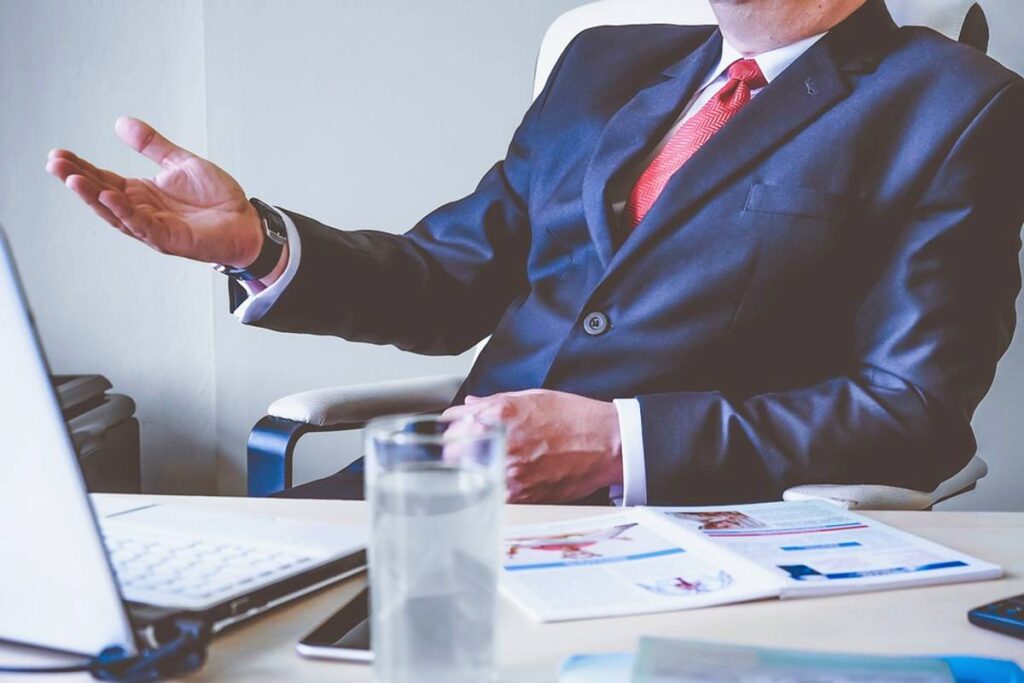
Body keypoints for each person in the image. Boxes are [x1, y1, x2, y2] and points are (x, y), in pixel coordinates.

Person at [46, 0, 1024, 506]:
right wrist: (260, 242)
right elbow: (447, 281)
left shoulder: (957, 104)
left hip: (682, 529)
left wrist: (617, 445)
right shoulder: (607, 62)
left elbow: (913, 411)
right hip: (437, 494)